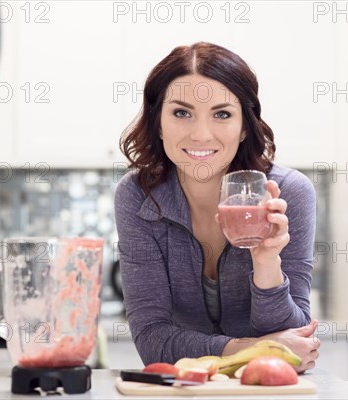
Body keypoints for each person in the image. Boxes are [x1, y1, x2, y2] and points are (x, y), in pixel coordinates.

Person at [114, 42, 320, 372]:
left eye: (222, 114)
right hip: (185, 391)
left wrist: (267, 262)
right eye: (182, 113)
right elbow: (152, 341)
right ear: (157, 121)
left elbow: (293, 342)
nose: (200, 134)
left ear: (243, 127)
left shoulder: (288, 192)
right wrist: (251, 348)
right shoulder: (139, 197)